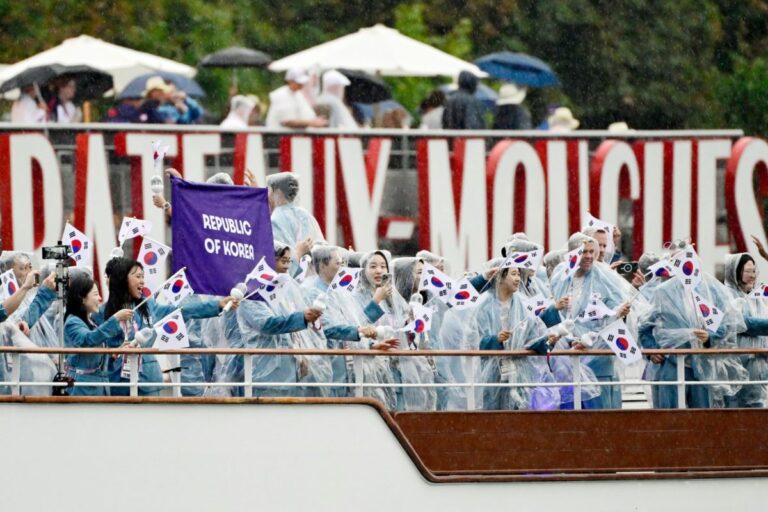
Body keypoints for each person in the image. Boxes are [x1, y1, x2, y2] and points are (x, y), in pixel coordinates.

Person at [98, 258, 236, 396]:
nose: (142, 281)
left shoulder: (149, 306)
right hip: (117, 382)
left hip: (148, 381)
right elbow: (94, 345)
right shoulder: (101, 313)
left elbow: (183, 311)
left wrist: (217, 305)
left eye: (143, 277)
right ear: (122, 279)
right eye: (138, 276)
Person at [647, 246, 747, 408]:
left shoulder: (713, 289)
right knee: (669, 420)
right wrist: (651, 350)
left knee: (702, 420)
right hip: (672, 364)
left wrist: (710, 338)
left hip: (703, 365)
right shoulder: (662, 292)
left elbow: (727, 323)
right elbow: (645, 325)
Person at [550, 233, 633, 409]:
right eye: (583, 251)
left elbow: (618, 319)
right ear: (571, 254)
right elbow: (554, 317)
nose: (589, 256)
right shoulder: (560, 277)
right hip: (566, 361)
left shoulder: (606, 278)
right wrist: (568, 341)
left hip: (598, 363)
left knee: (600, 422)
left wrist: (591, 340)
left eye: (591, 251)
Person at [237, 241, 330, 397]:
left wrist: (301, 357)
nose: (287, 266)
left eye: (289, 261)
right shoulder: (251, 293)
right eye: (283, 261)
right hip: (266, 375)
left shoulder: (285, 291)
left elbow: (293, 334)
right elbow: (267, 324)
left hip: (289, 372)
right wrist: (303, 317)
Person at [476, 266, 564, 410]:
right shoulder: (484, 307)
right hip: (492, 375)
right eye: (513, 274)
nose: (518, 278)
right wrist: (495, 340)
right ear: (500, 277)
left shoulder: (524, 305)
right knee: (493, 413)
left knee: (521, 413)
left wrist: (547, 341)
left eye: (518, 274)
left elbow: (534, 337)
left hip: (520, 373)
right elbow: (474, 341)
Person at [63, 272, 133, 396]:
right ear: (82, 298)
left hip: (98, 387)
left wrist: (114, 353)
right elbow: (88, 340)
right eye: (96, 294)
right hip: (82, 388)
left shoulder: (90, 321)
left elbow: (94, 353)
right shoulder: (72, 322)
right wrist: (115, 318)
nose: (100, 298)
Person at [723, 253, 768, 407]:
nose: (752, 276)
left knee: (756, 417)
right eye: (747, 271)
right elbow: (742, 323)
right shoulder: (726, 295)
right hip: (735, 366)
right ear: (734, 273)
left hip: (759, 368)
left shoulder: (758, 299)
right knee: (732, 414)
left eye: (754, 271)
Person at [267, 172, 325, 249]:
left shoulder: (275, 219)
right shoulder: (305, 214)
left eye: (269, 190)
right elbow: (320, 247)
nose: (268, 194)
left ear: (278, 192)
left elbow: (279, 253)